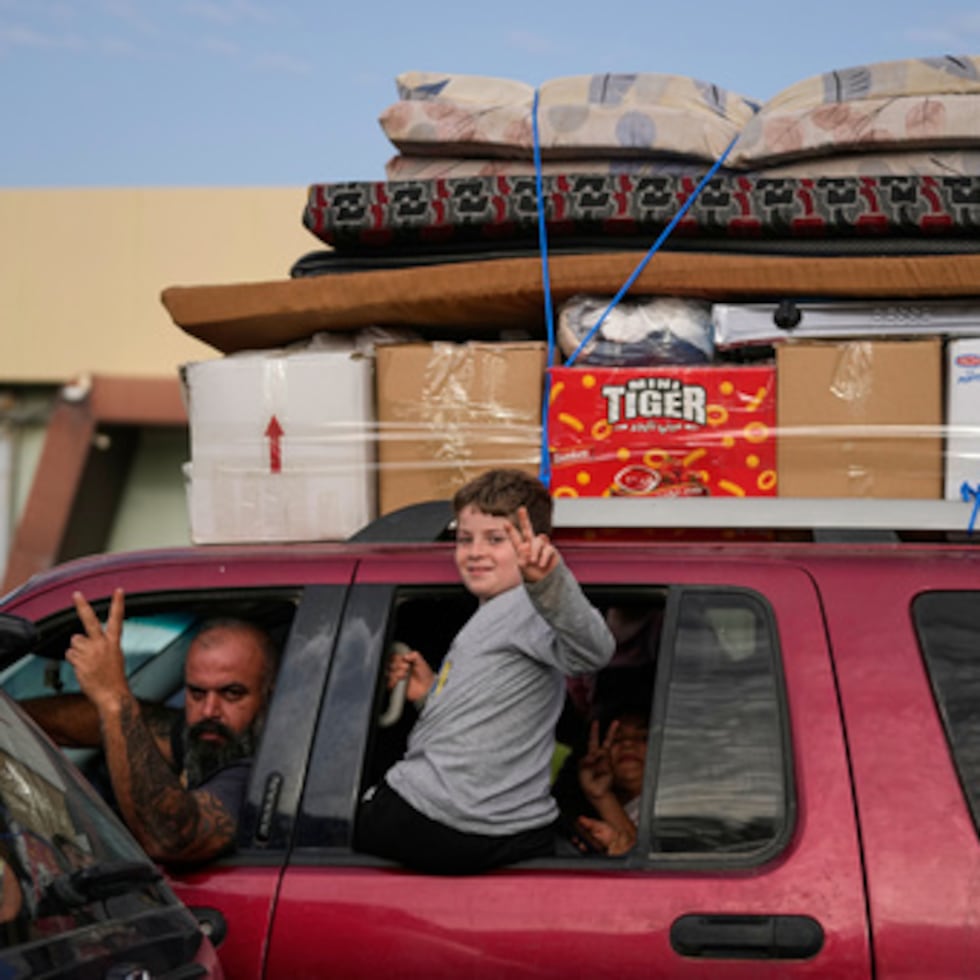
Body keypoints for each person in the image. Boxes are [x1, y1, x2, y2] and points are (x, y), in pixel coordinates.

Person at [355, 468, 616, 875]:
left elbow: (595, 651)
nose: (475, 552)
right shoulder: (493, 614)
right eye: (465, 539)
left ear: (534, 545)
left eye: (496, 540)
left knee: (320, 825)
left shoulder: (532, 606)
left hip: (446, 818)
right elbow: (487, 721)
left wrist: (549, 582)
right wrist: (430, 694)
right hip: (510, 826)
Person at [23, 590, 278, 866]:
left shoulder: (262, 771)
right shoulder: (212, 734)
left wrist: (113, 698)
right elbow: (99, 724)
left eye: (232, 694)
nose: (208, 710)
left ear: (270, 695)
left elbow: (169, 837)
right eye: (196, 693)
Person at [574, 707, 649, 856]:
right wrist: (600, 794)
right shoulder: (594, 816)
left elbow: (651, 863)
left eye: (643, 737)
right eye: (617, 739)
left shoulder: (675, 808)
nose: (627, 744)